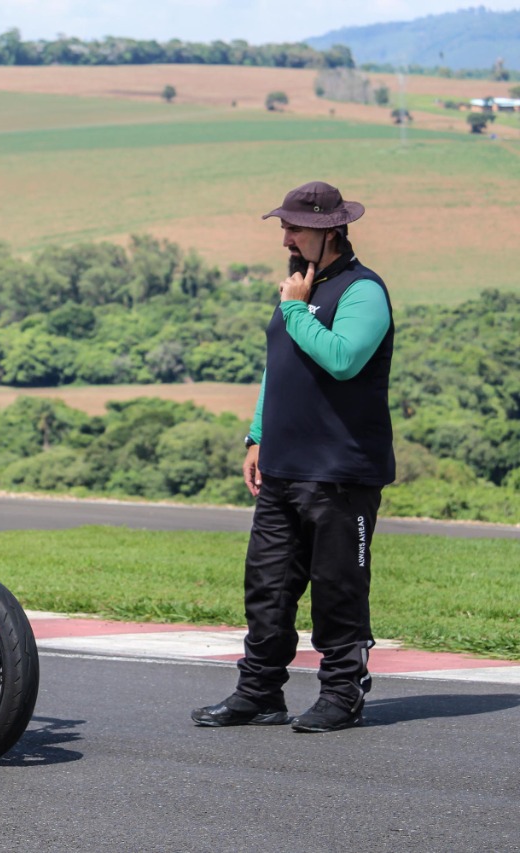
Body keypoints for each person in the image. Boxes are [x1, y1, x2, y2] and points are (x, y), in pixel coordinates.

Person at [191, 181, 395, 734]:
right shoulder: (297, 290)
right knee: (268, 587)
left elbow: (343, 359)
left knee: (338, 589)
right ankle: (259, 694)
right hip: (283, 466)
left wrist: (297, 311)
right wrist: (258, 436)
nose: (284, 235)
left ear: (329, 230)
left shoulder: (362, 291)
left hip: (340, 472)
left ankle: (342, 694)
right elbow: (276, 368)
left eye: (293, 226)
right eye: (283, 225)